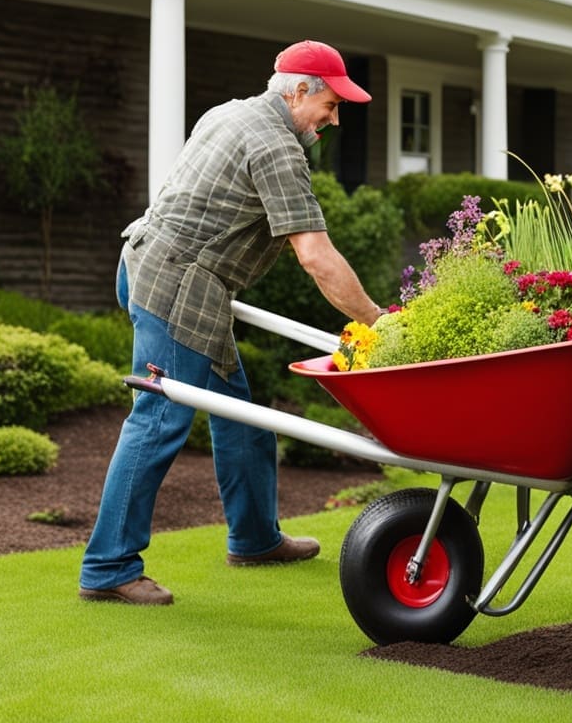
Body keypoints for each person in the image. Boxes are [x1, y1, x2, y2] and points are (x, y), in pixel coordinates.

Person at [78, 40, 381, 606]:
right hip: (179, 288)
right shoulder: (276, 147)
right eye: (332, 104)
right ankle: (108, 567)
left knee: (239, 411)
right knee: (160, 418)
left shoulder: (229, 112)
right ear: (298, 91)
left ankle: (255, 538)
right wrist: (376, 320)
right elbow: (314, 254)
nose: (334, 119)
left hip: (146, 262)